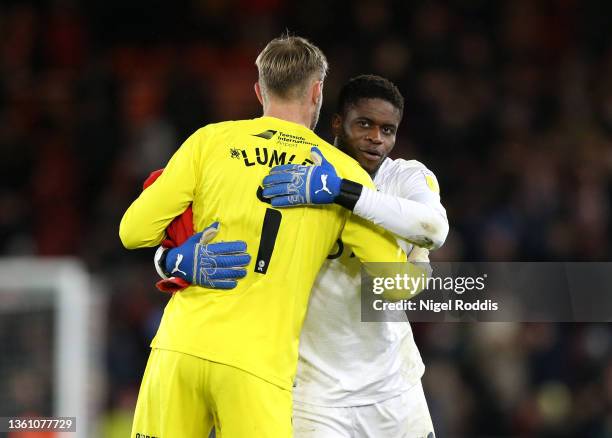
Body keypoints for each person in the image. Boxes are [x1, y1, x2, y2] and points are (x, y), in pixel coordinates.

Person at [119, 36, 406, 438]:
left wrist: (172, 260)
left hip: (179, 350)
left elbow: (132, 232)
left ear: (259, 90)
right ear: (317, 91)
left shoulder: (209, 141)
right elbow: (397, 285)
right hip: (256, 368)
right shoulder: (340, 173)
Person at [263, 74, 447, 437]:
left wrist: (341, 193)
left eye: (388, 130)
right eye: (364, 124)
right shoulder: (299, 177)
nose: (377, 138)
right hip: (316, 399)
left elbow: (434, 230)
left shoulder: (406, 177)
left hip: (396, 389)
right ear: (337, 122)